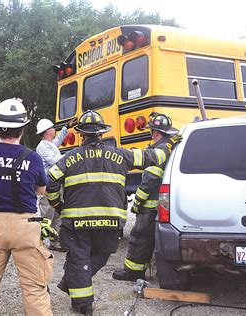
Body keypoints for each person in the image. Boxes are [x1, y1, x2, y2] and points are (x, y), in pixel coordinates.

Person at [46, 110, 177, 314]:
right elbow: (153, 157)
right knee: (100, 255)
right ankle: (81, 298)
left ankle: (77, 293)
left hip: (76, 223)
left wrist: (58, 206)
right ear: (101, 133)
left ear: (81, 134)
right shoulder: (120, 154)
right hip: (109, 222)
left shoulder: (69, 157)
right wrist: (169, 141)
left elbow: (51, 180)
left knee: (79, 259)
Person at [0, 98, 54, 316]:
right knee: (35, 288)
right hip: (25, 226)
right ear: (23, 129)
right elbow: (41, 190)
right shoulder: (32, 158)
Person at [113, 113, 178, 281]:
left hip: (150, 206)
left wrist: (137, 202)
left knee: (140, 238)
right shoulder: (171, 146)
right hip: (165, 204)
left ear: (155, 133)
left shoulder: (157, 152)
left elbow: (149, 179)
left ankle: (132, 272)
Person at [36, 117, 77, 251]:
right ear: (47, 131)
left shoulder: (50, 144)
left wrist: (66, 127)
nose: (55, 129)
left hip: (55, 184)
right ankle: (40, 241)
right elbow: (54, 160)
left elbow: (57, 141)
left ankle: (56, 241)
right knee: (48, 213)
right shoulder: (42, 146)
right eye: (53, 128)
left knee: (58, 212)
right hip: (47, 185)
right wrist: (73, 155)